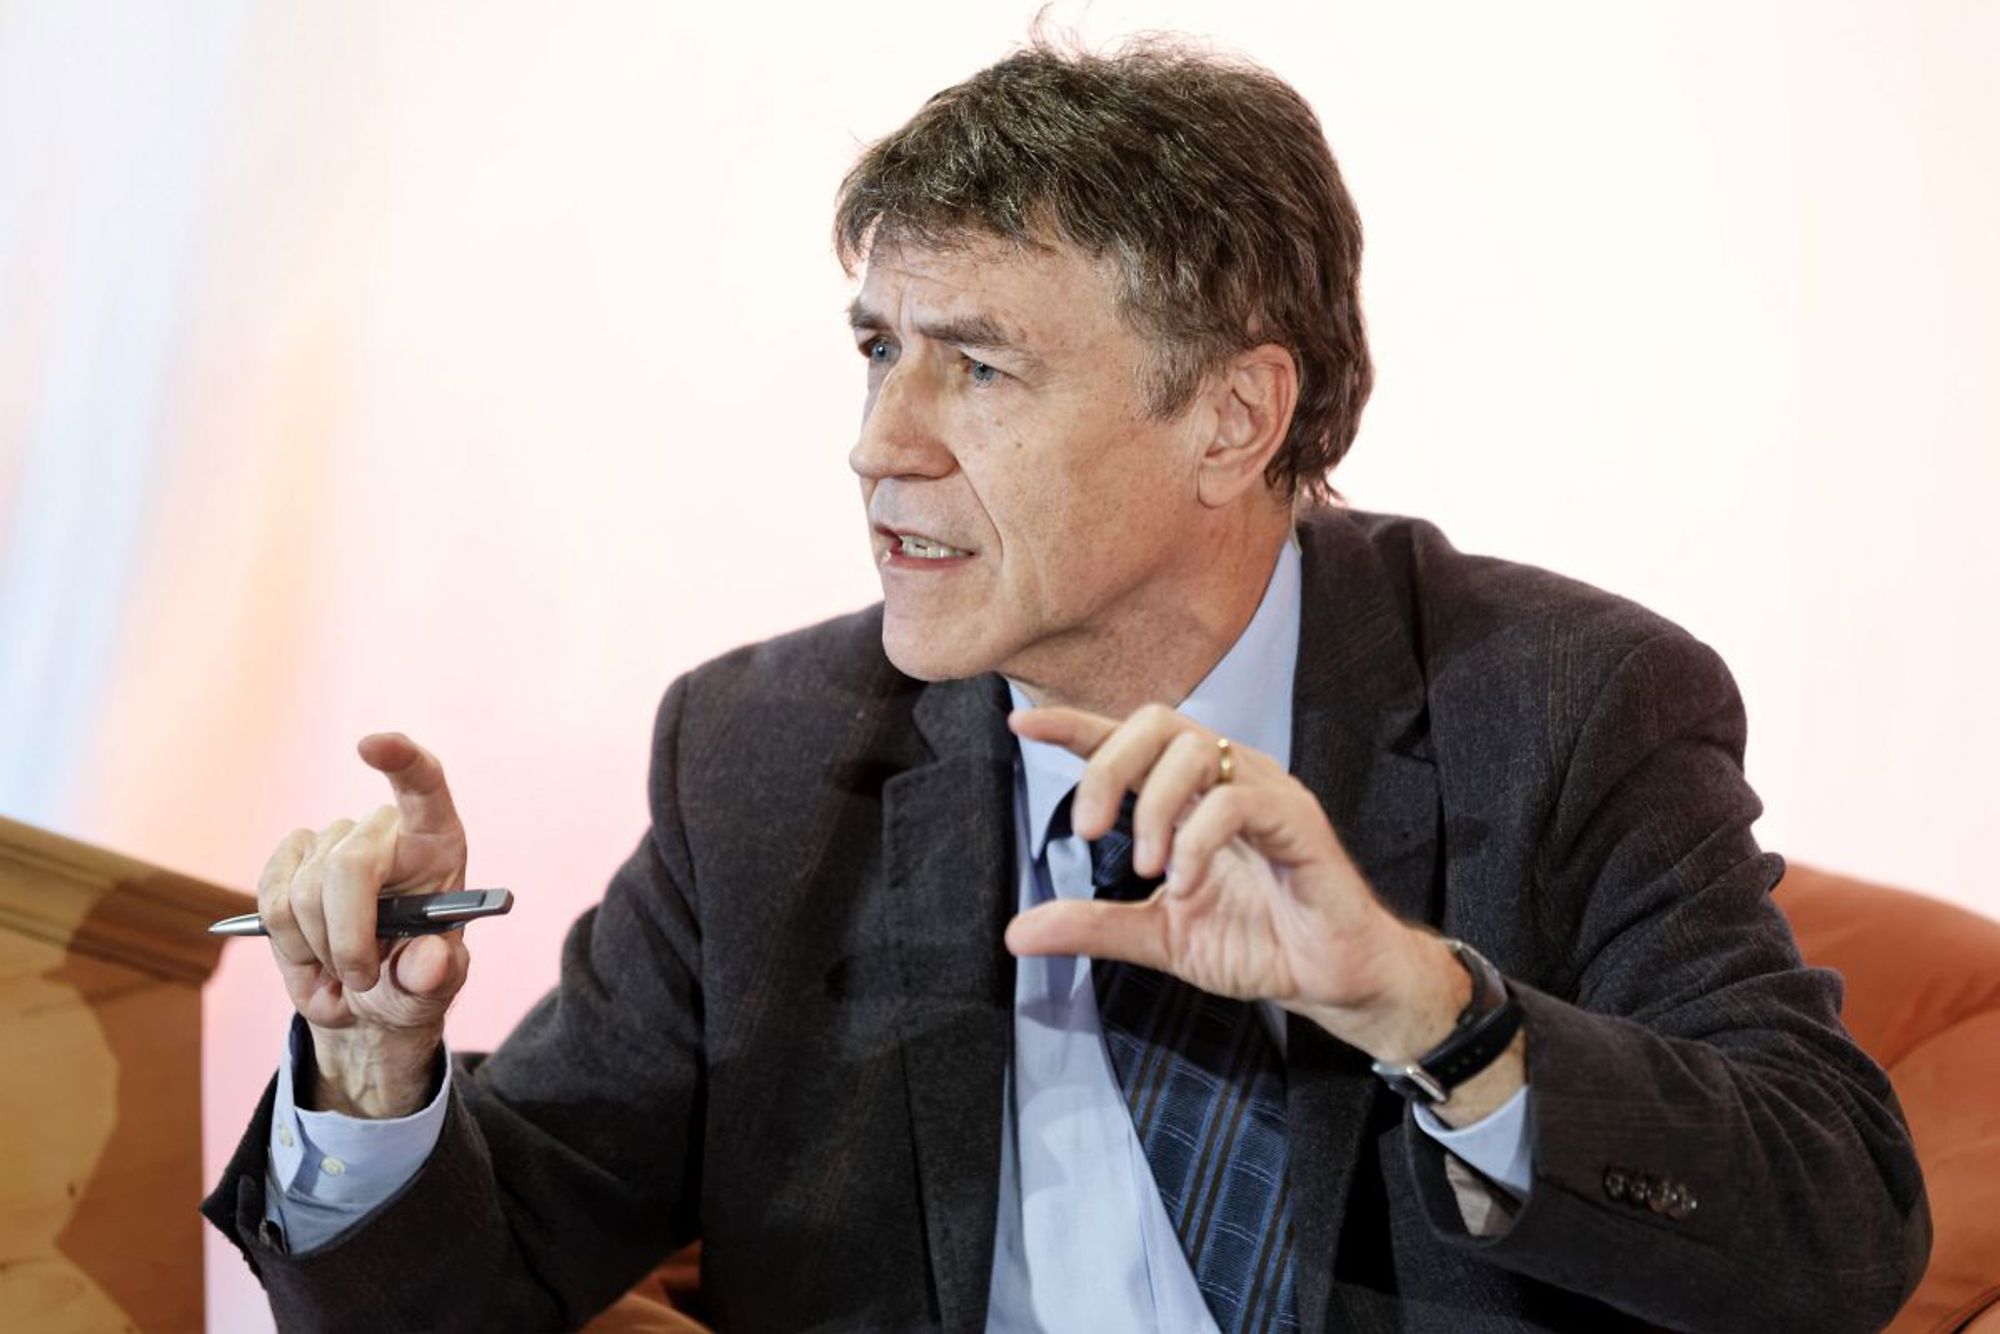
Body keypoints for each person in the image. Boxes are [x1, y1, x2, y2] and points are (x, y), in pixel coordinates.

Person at [204, 35, 1930, 1333]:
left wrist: (1428, 1008)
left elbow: (1841, 1232)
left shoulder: (1560, 708)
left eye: (979, 366)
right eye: (879, 349)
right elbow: (481, 1284)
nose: (879, 443)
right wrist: (371, 1065)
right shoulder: (769, 757)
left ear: (1233, 418)